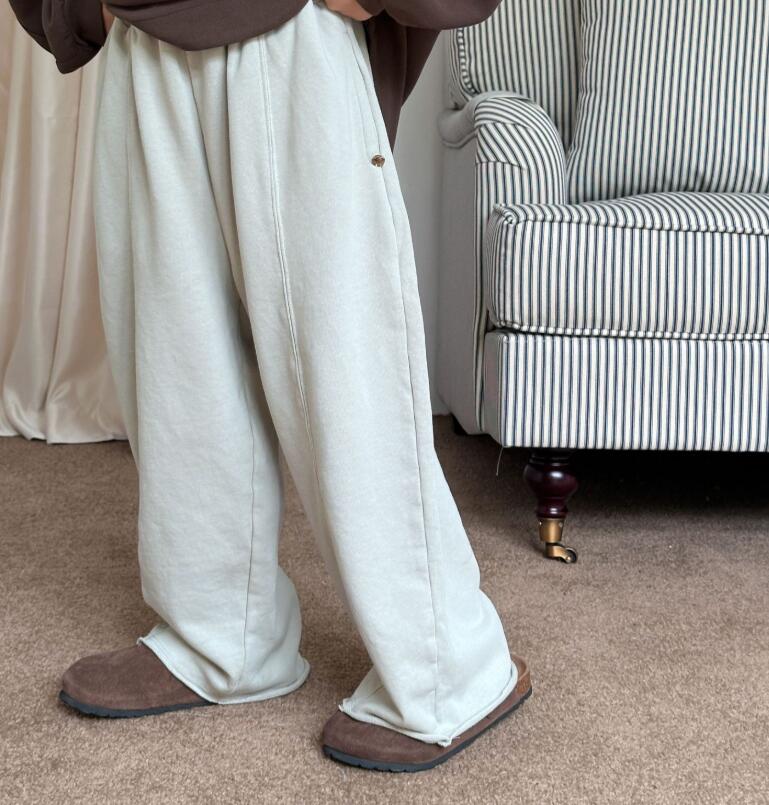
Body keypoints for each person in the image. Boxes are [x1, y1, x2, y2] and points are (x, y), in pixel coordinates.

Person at [8, 0, 531, 772]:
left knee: (341, 370)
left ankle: (448, 667)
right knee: (175, 366)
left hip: (289, 36)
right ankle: (222, 636)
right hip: (142, 36)